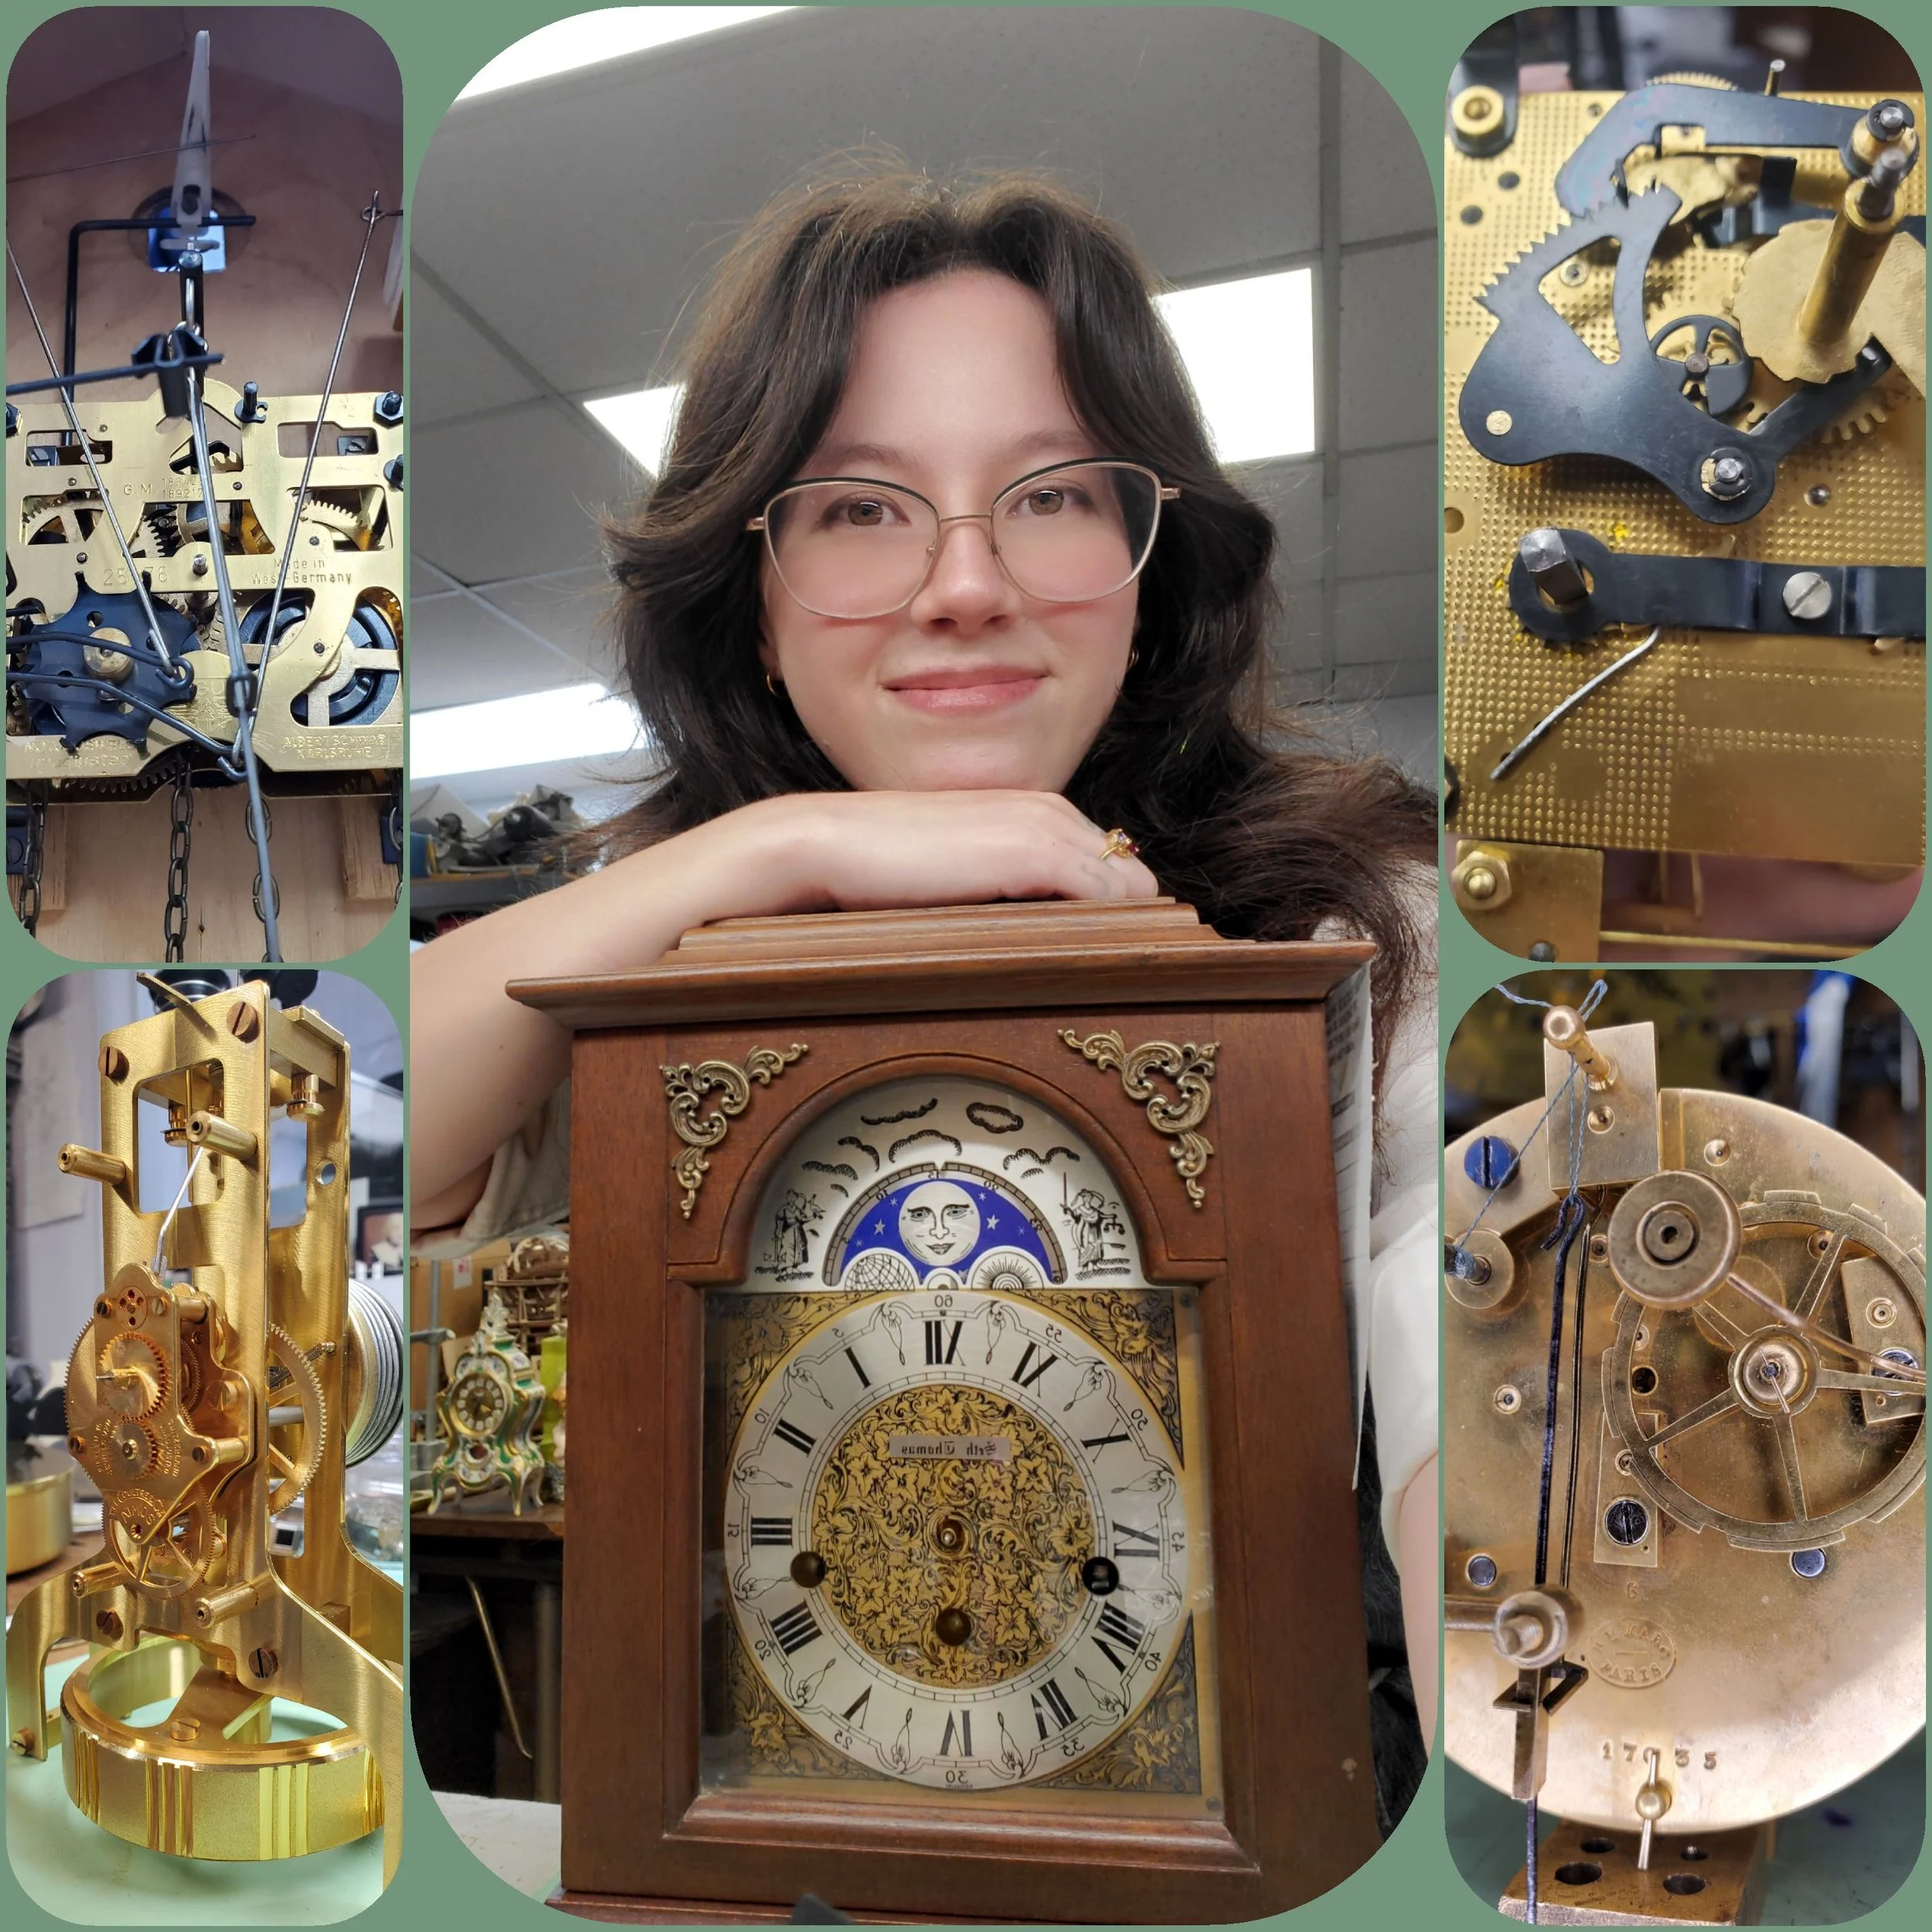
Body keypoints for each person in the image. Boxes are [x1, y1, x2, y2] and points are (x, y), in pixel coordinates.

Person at [411, 163, 1439, 1818]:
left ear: (1143, 562)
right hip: (778, 1820)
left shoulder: (1364, 927)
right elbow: (366, 1137)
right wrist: (759, 854)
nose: (964, 582)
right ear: (751, 604)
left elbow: (1466, 1342)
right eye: (859, 506)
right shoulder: (648, 962)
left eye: (1047, 492)